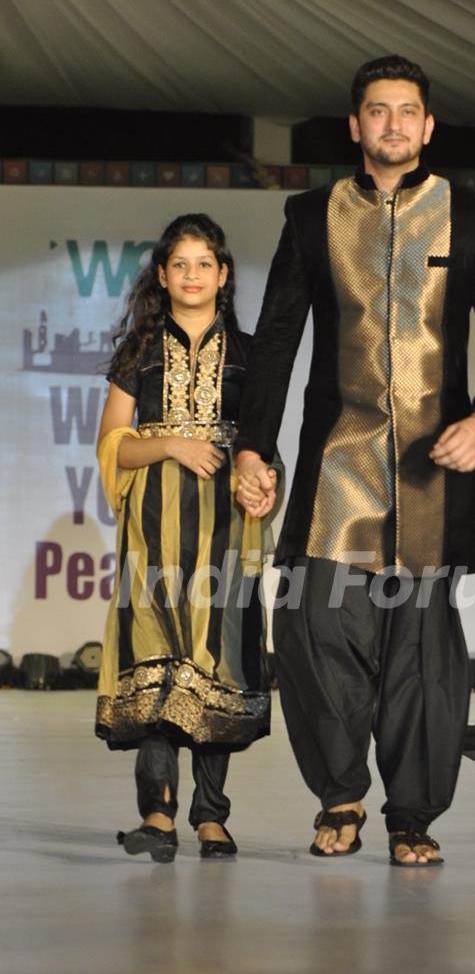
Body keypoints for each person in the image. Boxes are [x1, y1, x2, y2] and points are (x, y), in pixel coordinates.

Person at [235, 55, 475, 866]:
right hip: (339, 465)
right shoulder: (310, 217)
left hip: (434, 471)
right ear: (357, 125)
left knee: (423, 661)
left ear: (427, 127)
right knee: (313, 631)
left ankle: (412, 819)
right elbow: (277, 344)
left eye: (408, 111)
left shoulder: (470, 216)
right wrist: (252, 447)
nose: (393, 123)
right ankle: (340, 795)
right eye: (378, 110)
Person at [95, 213, 278, 863]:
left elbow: (264, 449)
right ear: (163, 276)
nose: (192, 275)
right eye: (180, 264)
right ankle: (157, 813)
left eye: (205, 263)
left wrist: (265, 483)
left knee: (216, 662)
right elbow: (112, 444)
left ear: (223, 275)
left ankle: (212, 816)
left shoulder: (255, 356)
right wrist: (169, 442)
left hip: (226, 529)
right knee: (155, 664)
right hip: (152, 530)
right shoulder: (138, 354)